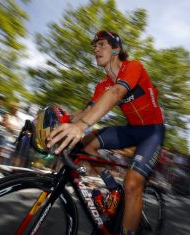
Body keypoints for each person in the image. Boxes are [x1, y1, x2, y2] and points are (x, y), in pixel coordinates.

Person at [47, 31, 165, 234]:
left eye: (101, 45)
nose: (96, 49)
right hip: (131, 129)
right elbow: (85, 111)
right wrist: (56, 121)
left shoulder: (133, 67)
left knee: (132, 183)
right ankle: (112, 187)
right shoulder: (102, 84)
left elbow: (116, 93)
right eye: (95, 46)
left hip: (152, 131)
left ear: (116, 49)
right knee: (85, 144)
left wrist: (82, 125)